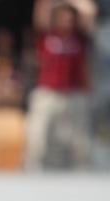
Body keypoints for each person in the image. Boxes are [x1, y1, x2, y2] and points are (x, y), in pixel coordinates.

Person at [25, 0, 95, 169]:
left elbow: (90, 11)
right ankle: (32, 175)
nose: (67, 21)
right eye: (63, 17)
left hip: (74, 94)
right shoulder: (47, 36)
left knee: (81, 144)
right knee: (37, 139)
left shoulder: (80, 37)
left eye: (70, 18)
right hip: (48, 93)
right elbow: (41, 10)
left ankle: (84, 179)